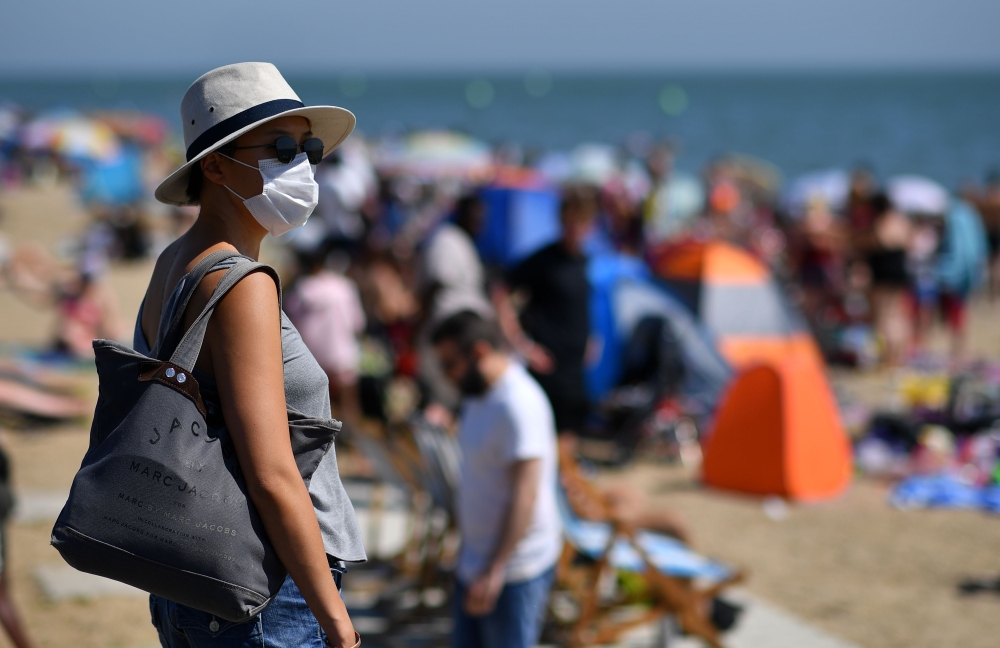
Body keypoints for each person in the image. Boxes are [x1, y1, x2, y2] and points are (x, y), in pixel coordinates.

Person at [140, 63, 364, 648]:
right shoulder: (243, 284)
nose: (303, 166)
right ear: (214, 164)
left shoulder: (173, 264)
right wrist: (336, 621)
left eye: (309, 149)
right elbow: (271, 474)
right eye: (282, 148)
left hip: (191, 574)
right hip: (264, 587)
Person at [431, 311, 561, 648]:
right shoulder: (479, 394)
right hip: (475, 562)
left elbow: (526, 494)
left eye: (449, 364)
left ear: (478, 352)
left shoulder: (519, 403)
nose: (446, 376)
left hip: (514, 570)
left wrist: (496, 569)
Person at [493, 189, 596, 436]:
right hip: (546, 364)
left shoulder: (585, 261)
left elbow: (580, 305)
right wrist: (521, 344)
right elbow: (500, 294)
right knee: (540, 433)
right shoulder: (543, 260)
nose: (574, 230)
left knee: (570, 431)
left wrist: (592, 337)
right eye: (569, 222)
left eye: (580, 223)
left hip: (574, 364)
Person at [417, 194, 493, 426]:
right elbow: (436, 284)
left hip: (468, 323)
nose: (479, 222)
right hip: (449, 323)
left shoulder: (464, 241)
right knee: (446, 387)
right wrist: (421, 324)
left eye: (481, 217)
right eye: (474, 216)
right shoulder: (447, 238)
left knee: (462, 387)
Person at [285, 248, 366, 425]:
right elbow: (358, 323)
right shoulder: (345, 286)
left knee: (317, 408)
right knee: (348, 402)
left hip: (313, 355)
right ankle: (353, 436)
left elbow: (290, 318)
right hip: (343, 354)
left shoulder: (305, 288)